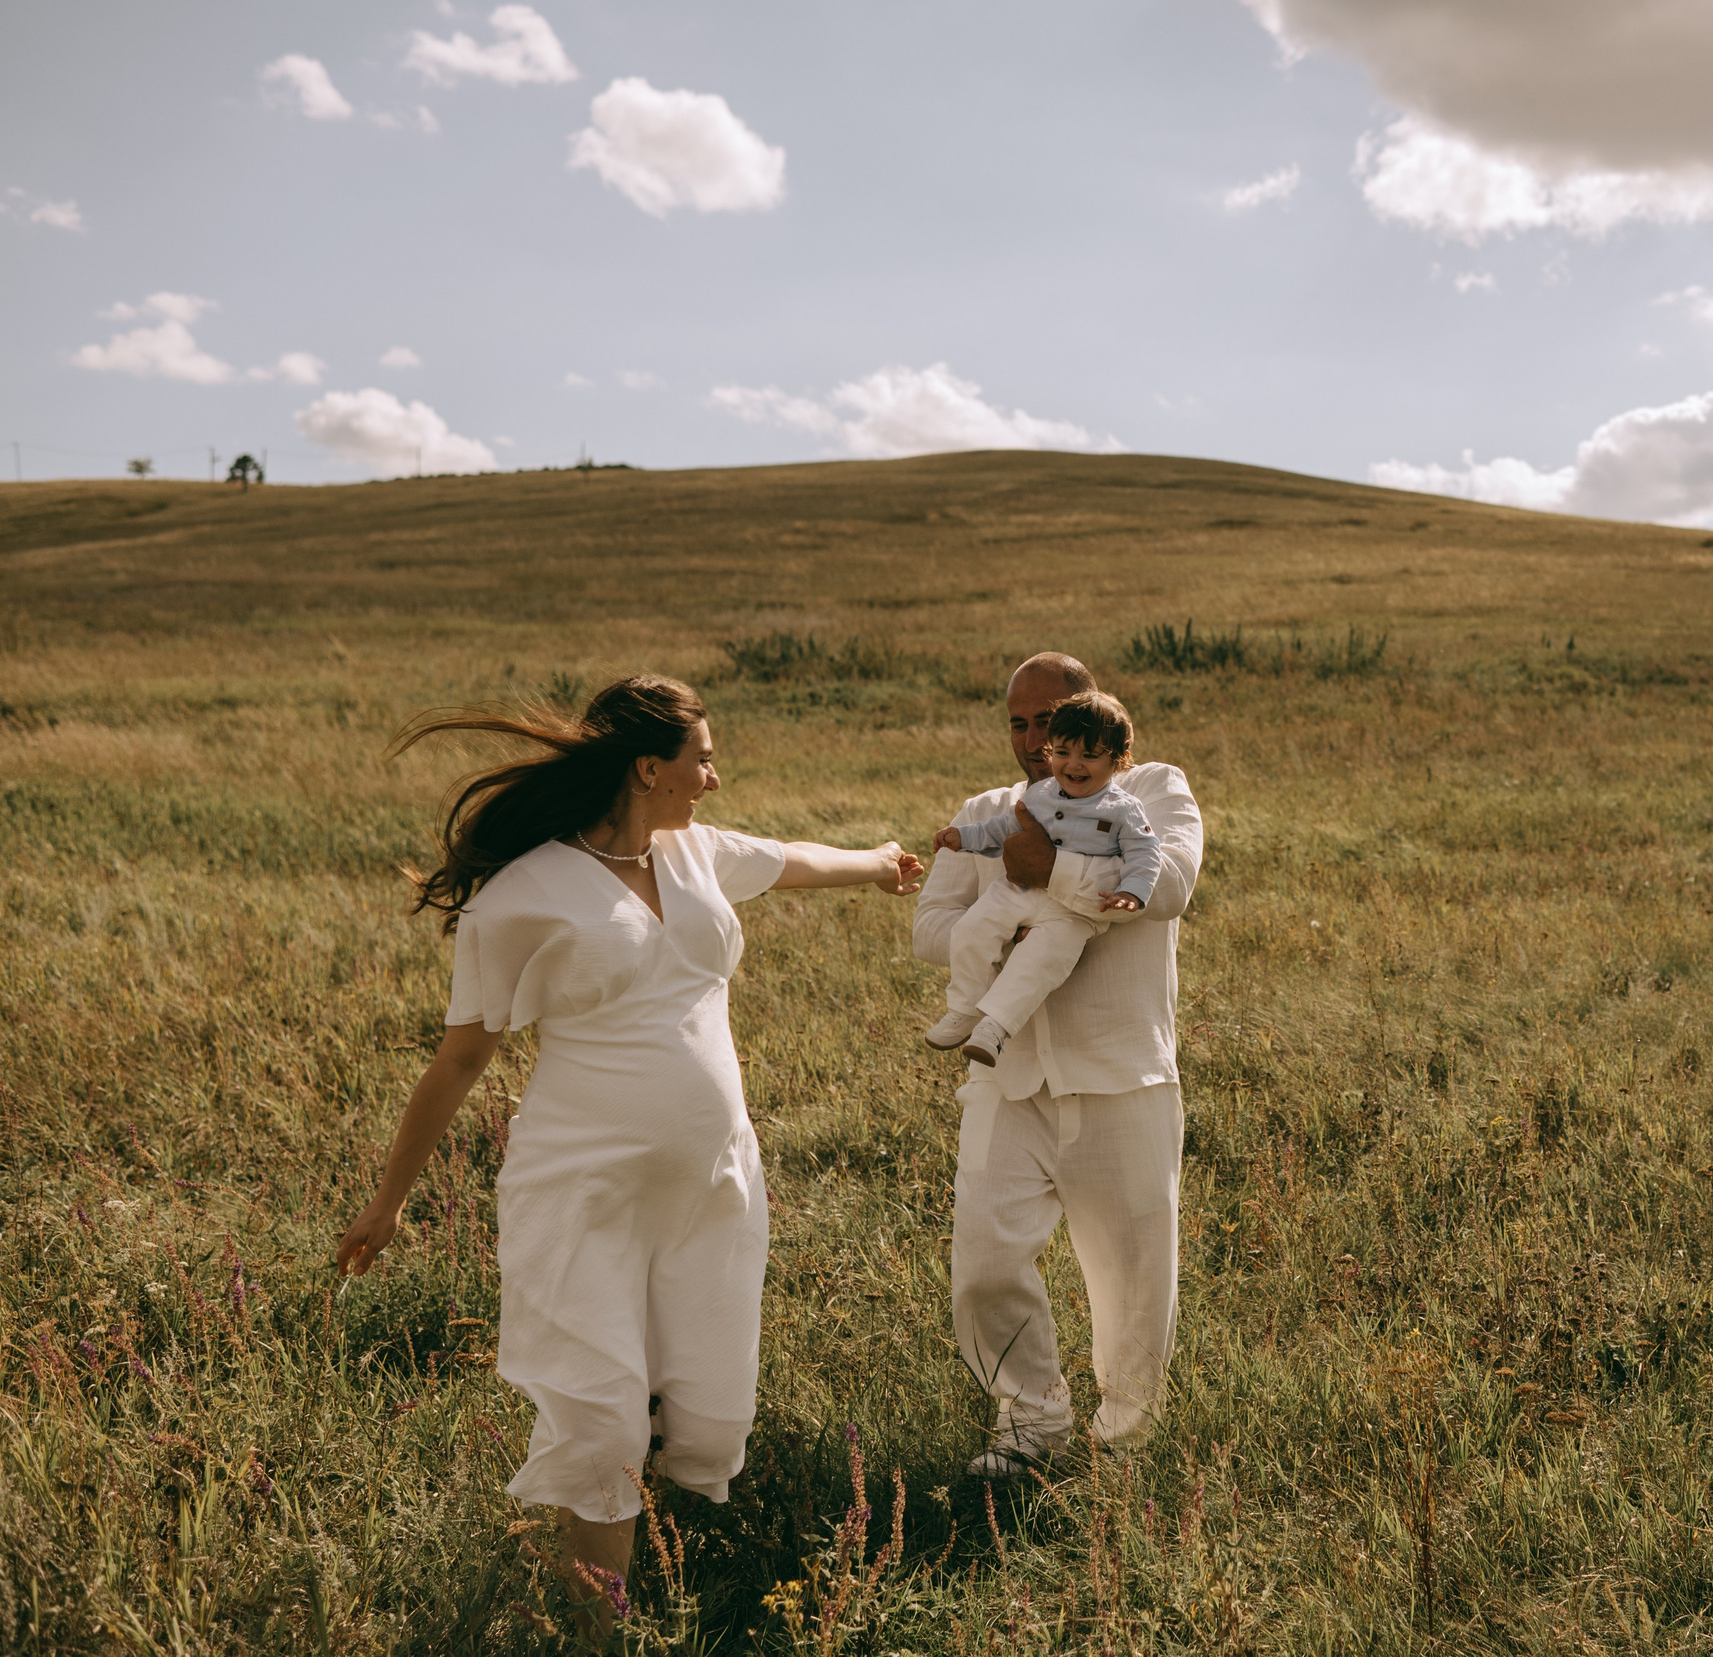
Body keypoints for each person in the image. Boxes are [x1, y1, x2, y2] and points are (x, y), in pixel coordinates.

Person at [334, 675, 921, 1609]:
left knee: (702, 1401)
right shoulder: (522, 898)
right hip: (585, 1184)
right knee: (604, 1412)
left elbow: (794, 858)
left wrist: (879, 859)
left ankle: (661, 1574)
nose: (714, 777)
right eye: (703, 758)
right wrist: (390, 1199)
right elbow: (459, 1060)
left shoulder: (696, 854)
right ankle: (595, 1622)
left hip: (712, 1178)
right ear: (650, 766)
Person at [913, 653, 1203, 1474]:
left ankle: (1127, 1437)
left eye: (1051, 720)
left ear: (1093, 714)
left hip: (1122, 1075)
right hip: (1006, 1077)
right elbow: (933, 924)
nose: (1037, 739)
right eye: (1018, 722)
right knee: (982, 1262)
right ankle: (1032, 1421)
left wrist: (1056, 875)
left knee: (1136, 1279)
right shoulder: (988, 811)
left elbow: (1173, 883)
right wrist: (1011, 920)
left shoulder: (1153, 790)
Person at [925, 689, 1160, 1067]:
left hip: (1074, 912)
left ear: (1121, 760)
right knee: (972, 930)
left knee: (1038, 961)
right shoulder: (1041, 794)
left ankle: (994, 1029)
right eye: (1063, 752)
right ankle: (965, 1008)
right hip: (1017, 891)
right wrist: (963, 838)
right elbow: (1003, 827)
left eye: (1090, 755)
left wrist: (1132, 891)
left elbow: (1145, 852)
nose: (1074, 765)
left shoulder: (1124, 809)